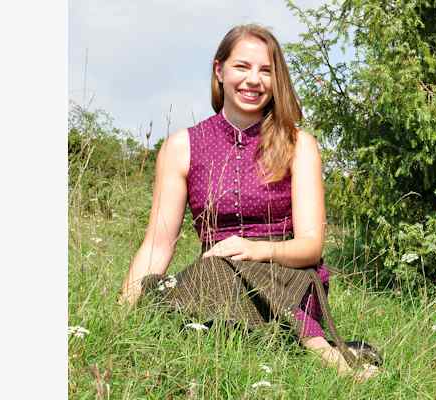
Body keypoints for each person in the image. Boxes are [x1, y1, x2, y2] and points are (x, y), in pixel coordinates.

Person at [118, 24, 378, 381]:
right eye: (242, 66)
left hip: (290, 281)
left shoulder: (299, 145)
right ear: (219, 70)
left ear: (276, 80)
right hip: (215, 284)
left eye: (266, 70)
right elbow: (157, 246)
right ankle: (323, 348)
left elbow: (310, 247)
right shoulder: (181, 147)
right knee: (168, 291)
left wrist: (253, 250)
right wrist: (120, 321)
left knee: (224, 265)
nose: (253, 80)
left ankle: (324, 355)